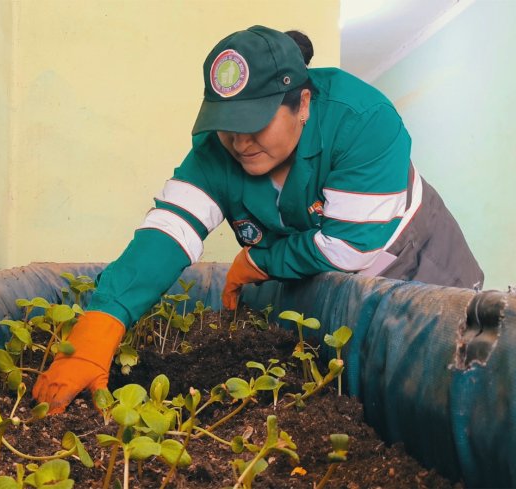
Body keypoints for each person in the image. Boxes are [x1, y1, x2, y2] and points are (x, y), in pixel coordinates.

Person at [32, 26, 483, 413]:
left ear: (302, 104)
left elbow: (351, 246)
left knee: (439, 392)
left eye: (255, 123)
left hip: (414, 260)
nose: (239, 142)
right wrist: (102, 320)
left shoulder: (362, 120)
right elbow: (168, 230)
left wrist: (263, 261)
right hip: (329, 281)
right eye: (228, 124)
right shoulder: (216, 153)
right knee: (347, 390)